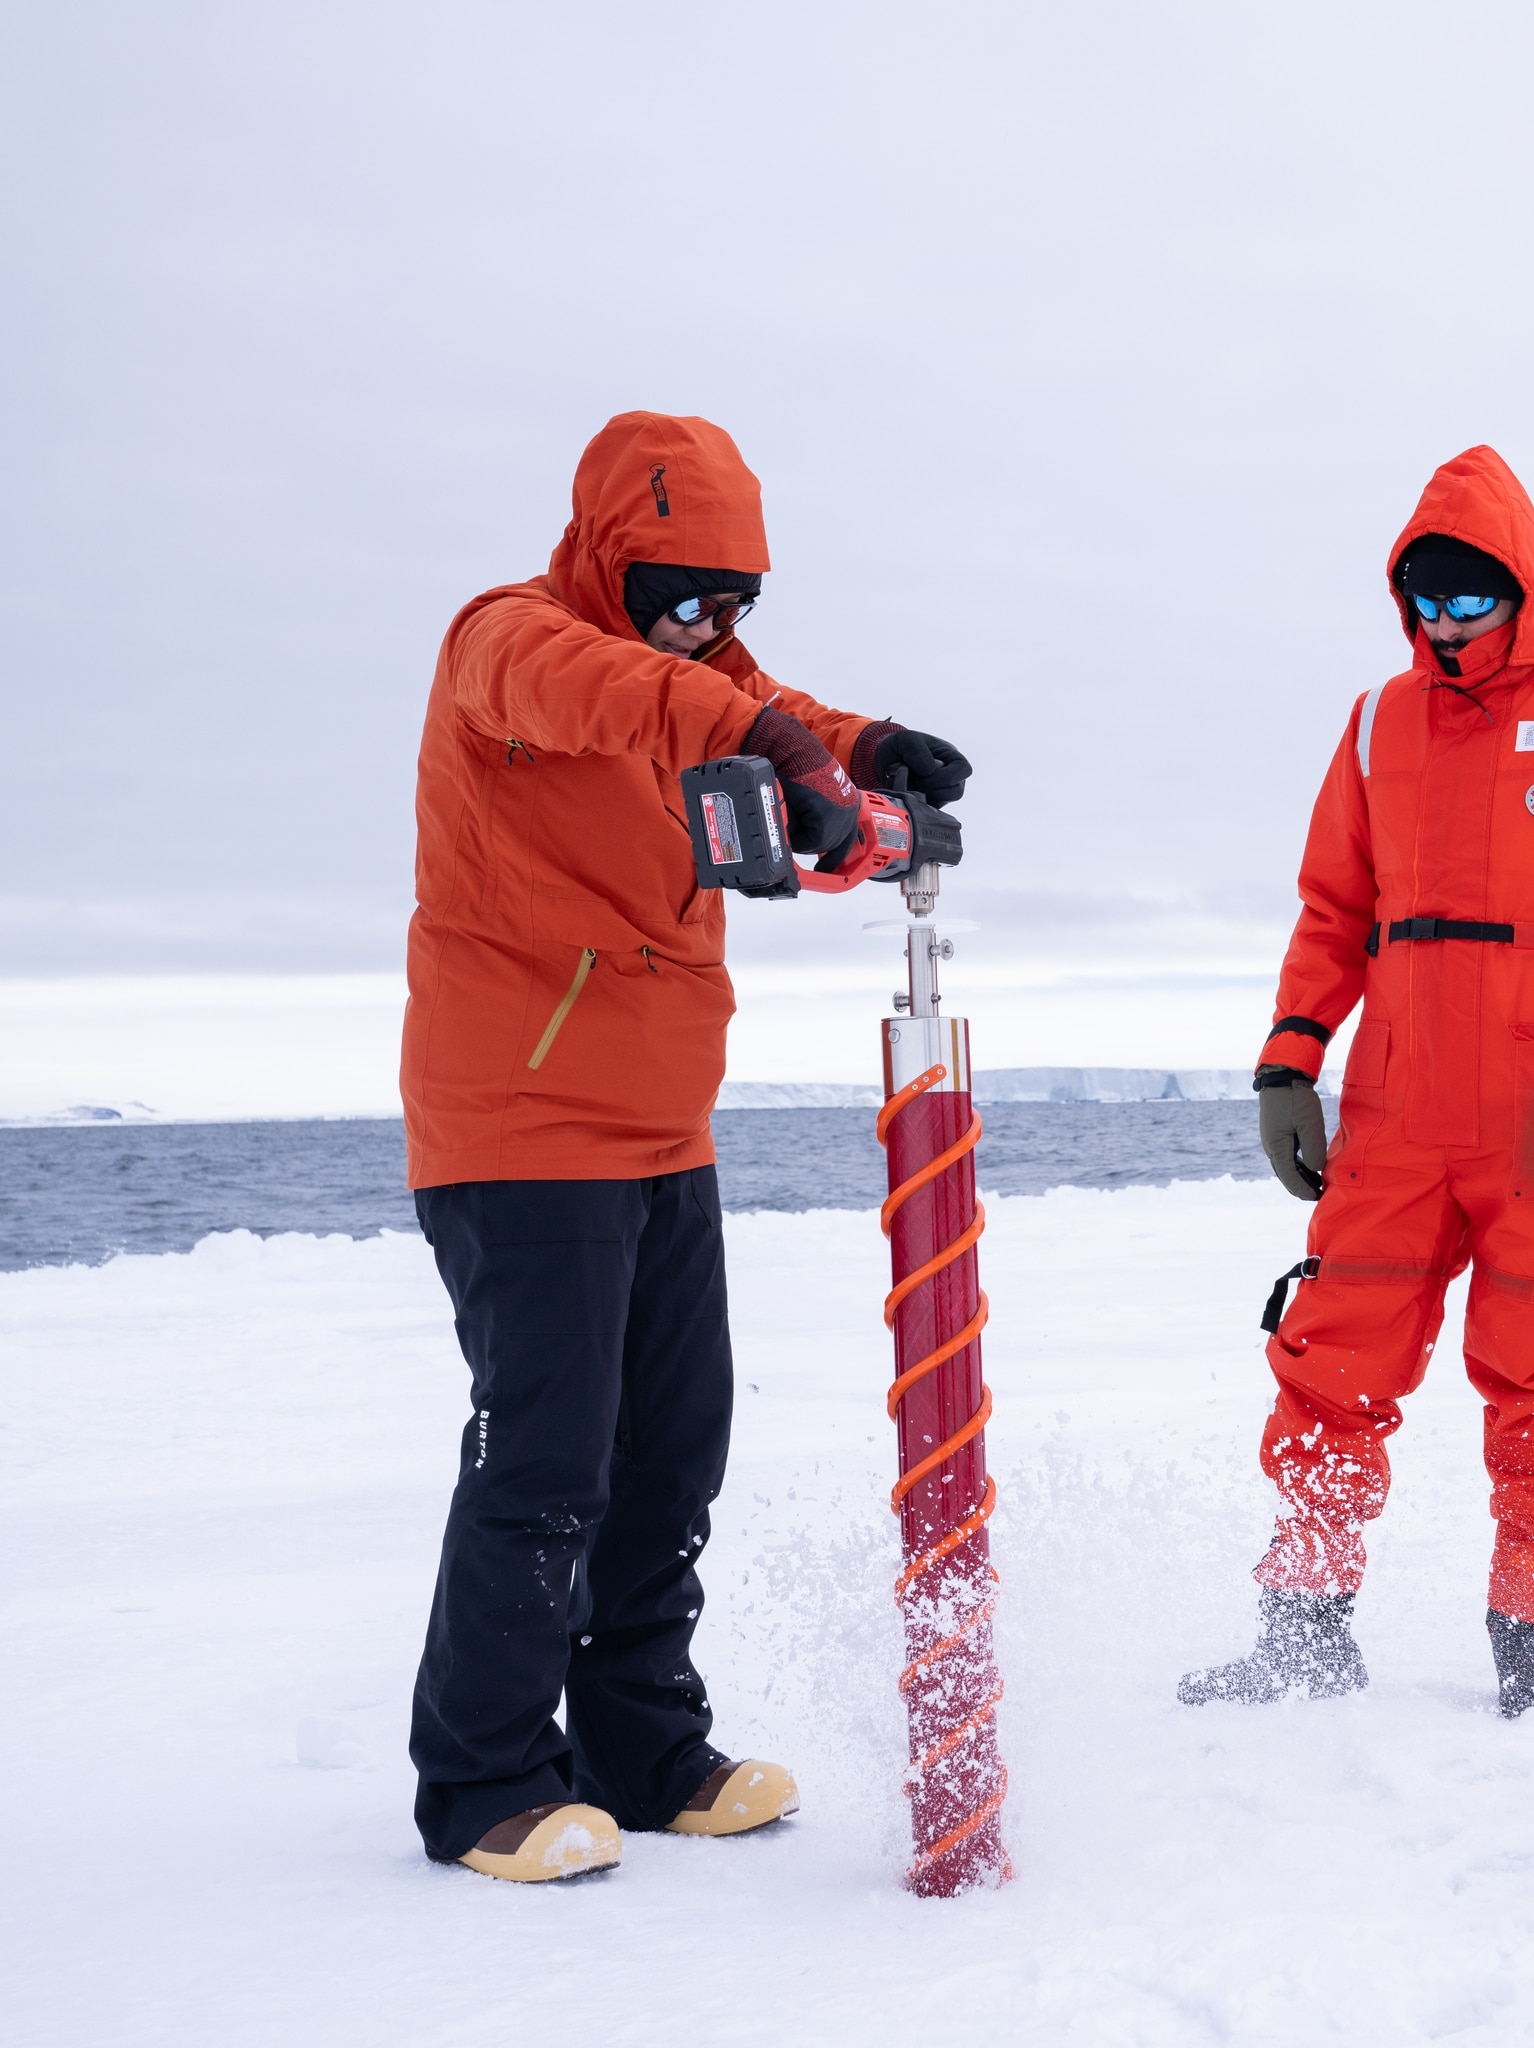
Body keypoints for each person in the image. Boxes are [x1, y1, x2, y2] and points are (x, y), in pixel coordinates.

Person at [399, 411, 973, 1882]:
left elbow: (765, 712)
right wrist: (756, 724)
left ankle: (644, 1749)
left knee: (671, 1452)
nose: (710, 628)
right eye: (682, 595)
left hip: (660, 1121)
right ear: (609, 554)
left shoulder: (706, 675)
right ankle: (484, 1785)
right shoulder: (507, 643)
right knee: (546, 1458)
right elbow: (636, 695)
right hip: (521, 1122)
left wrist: (869, 753)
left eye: (734, 602)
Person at [1180, 446, 1534, 1718]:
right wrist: (1289, 1058)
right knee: (1330, 1355)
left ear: (1520, 587)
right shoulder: (1376, 723)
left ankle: (1530, 1631)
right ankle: (1301, 1624)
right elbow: (1331, 910)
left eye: (1470, 599)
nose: (1444, 623)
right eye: (1424, 600)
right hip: (1401, 1101)